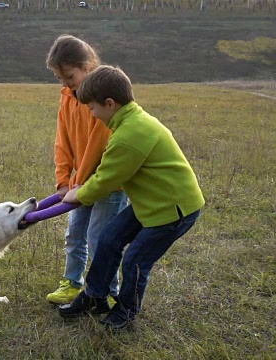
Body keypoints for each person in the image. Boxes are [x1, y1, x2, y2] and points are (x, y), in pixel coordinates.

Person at [58, 65, 205, 330]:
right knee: (110, 238)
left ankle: (126, 310)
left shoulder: (129, 134)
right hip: (151, 202)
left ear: (110, 104)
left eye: (92, 108)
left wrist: (77, 194)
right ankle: (95, 296)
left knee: (136, 260)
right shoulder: (129, 120)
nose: (91, 114)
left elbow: (106, 180)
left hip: (173, 210)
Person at [44, 35, 127, 305]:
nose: (66, 83)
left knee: (101, 239)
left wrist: (79, 183)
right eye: (60, 78)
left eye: (69, 76)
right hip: (78, 185)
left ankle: (110, 292)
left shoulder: (104, 99)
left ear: (87, 66)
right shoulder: (67, 98)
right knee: (75, 235)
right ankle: (71, 282)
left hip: (107, 184)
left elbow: (98, 144)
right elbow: (62, 140)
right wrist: (63, 181)